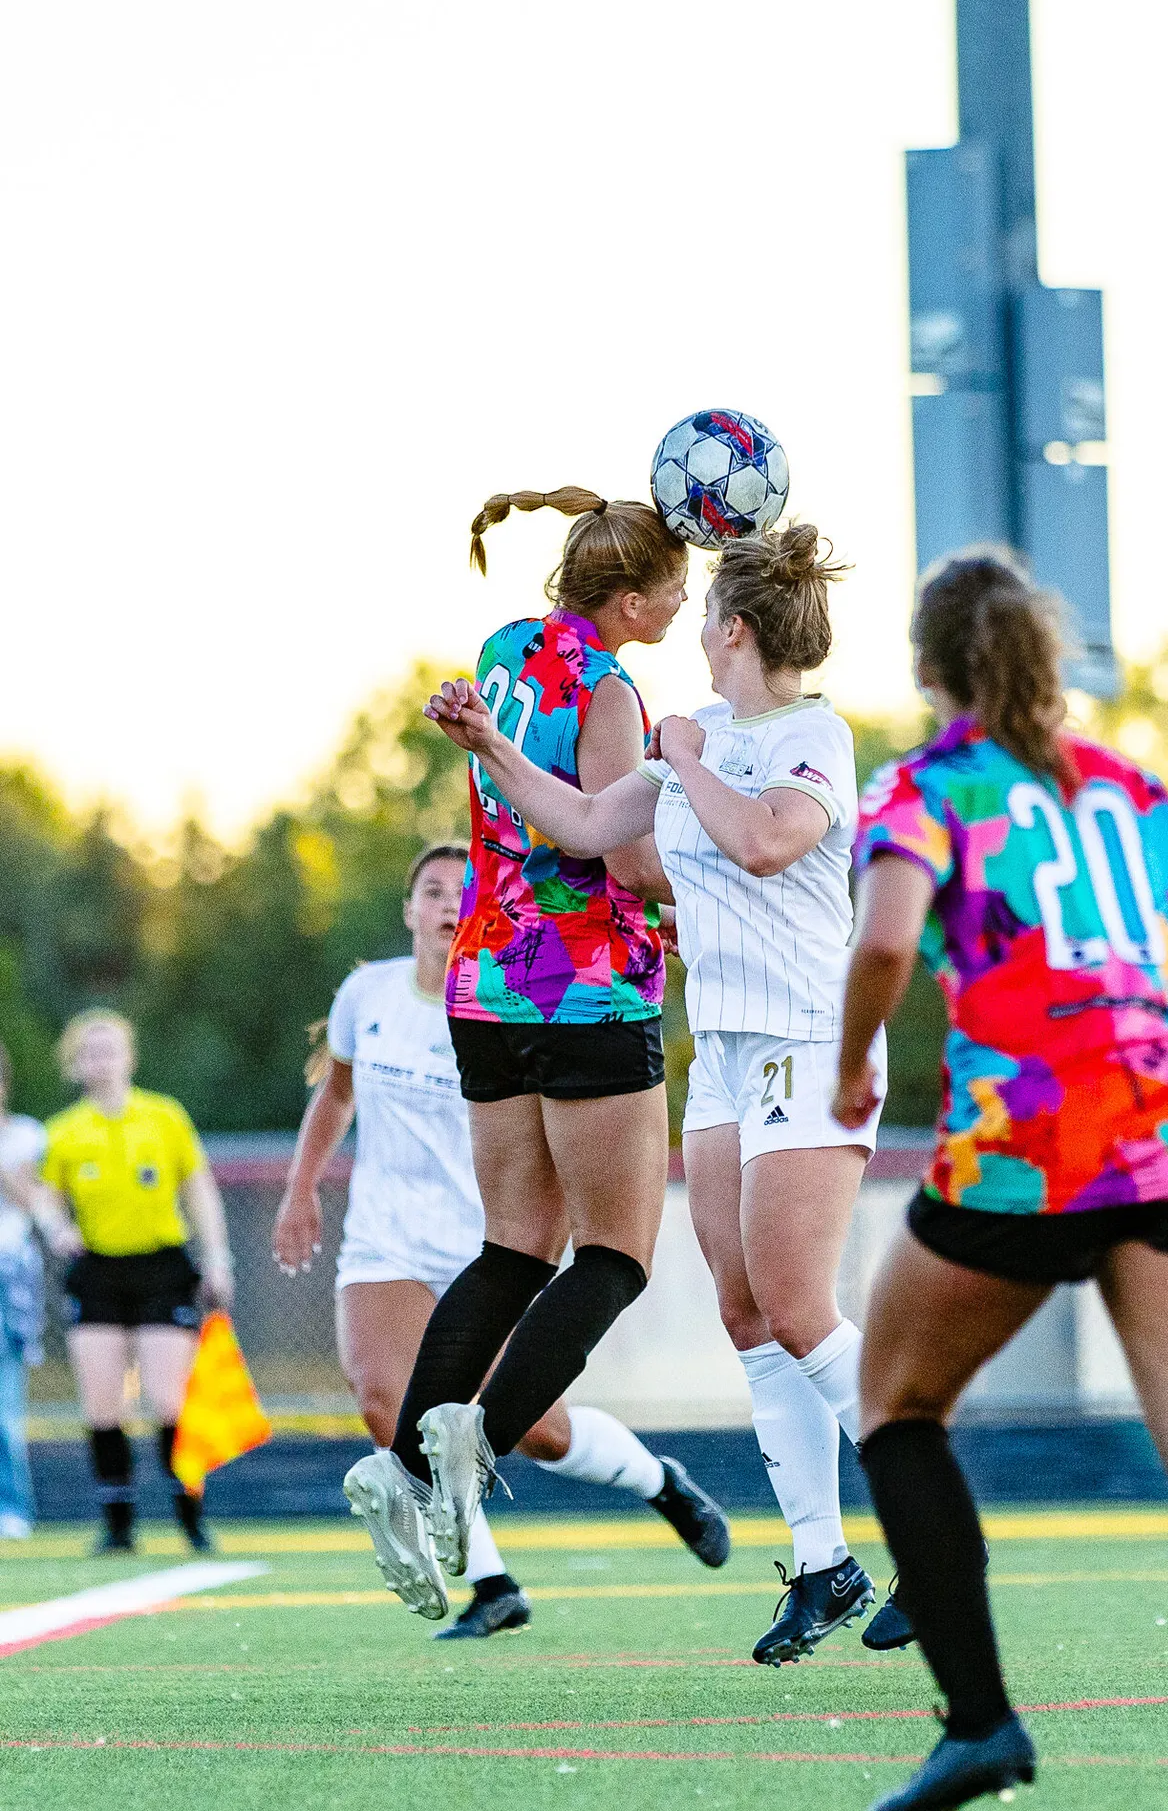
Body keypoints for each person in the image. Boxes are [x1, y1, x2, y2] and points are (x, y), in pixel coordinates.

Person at [832, 547, 1168, 1811]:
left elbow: (882, 936)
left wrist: (848, 1069)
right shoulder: (1136, 790)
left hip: (1029, 1148)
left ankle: (979, 1725)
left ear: (930, 670)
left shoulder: (927, 786)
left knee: (894, 1404)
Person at [428, 522, 889, 1666]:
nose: (688, 624)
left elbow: (772, 842)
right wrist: (489, 742)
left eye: (703, 611)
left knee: (794, 1304)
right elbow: (582, 825)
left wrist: (683, 758)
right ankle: (825, 1565)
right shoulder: (706, 730)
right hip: (728, 1049)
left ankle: (943, 1529)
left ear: (732, 628)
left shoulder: (805, 732)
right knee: (747, 1316)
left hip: (808, 1039)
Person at [342, 488, 696, 1622]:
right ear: (629, 598)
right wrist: (703, 899)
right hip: (586, 983)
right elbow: (612, 846)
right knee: (616, 1256)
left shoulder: (501, 647)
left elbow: (509, 796)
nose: (686, 600)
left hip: (486, 978)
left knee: (510, 1248)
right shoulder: (608, 685)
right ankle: (470, 1449)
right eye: (675, 587)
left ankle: (396, 1465)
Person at [274, 841, 729, 1637]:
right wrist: (300, 1186)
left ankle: (659, 1480)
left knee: (537, 1431)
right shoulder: (366, 994)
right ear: (409, 908)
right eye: (433, 889)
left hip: (482, 1243)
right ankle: (493, 1585)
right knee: (386, 1401)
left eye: (466, 887)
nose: (450, 901)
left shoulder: (507, 993)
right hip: (385, 1239)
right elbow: (336, 1093)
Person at [42, 1010, 236, 1554]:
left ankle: (190, 1516)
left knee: (166, 1401)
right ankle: (118, 1525)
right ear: (76, 1065)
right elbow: (46, 1199)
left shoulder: (164, 1117)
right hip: (98, 1272)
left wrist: (217, 1259)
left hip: (161, 1269)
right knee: (102, 1406)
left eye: (112, 1048)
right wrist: (56, 1227)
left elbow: (199, 1191)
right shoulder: (64, 1132)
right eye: (91, 1051)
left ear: (130, 1056)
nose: (103, 1060)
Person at [0, 1041, 80, 1537]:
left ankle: (12, 1506)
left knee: (6, 1401)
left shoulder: (28, 1134)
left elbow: (32, 1198)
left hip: (8, 1273)